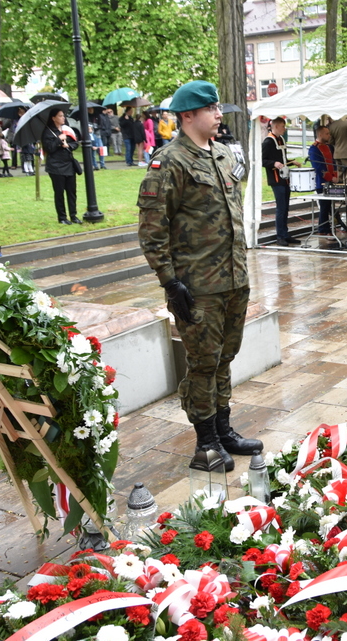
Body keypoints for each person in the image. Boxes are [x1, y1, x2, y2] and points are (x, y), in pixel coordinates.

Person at [137, 80, 259, 473]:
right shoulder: (169, 162)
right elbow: (152, 229)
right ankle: (205, 443)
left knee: (225, 358)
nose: (219, 114)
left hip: (233, 279)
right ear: (188, 115)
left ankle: (224, 431)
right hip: (198, 286)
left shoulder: (222, 155)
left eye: (218, 108)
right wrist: (170, 282)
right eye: (211, 109)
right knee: (203, 362)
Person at [261, 116, 301, 246]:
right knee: (281, 208)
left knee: (286, 208)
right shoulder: (268, 141)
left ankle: (285, 234)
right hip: (276, 179)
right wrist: (274, 163)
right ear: (276, 126)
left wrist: (291, 162)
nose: (285, 129)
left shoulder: (281, 139)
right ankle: (280, 236)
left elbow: (282, 158)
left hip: (285, 178)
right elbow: (262, 160)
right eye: (283, 126)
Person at [41, 108, 82, 225]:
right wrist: (59, 140)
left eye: (63, 115)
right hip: (56, 166)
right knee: (59, 193)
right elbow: (49, 148)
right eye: (60, 116)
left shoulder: (66, 129)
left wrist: (68, 145)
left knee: (72, 191)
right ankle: (62, 217)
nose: (63, 118)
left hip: (69, 164)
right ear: (53, 118)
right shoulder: (48, 132)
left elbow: (75, 143)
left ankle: (73, 215)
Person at [308, 123, 338, 234]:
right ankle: (323, 229)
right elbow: (318, 167)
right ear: (320, 134)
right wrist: (329, 177)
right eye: (327, 133)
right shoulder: (314, 149)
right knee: (324, 206)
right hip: (321, 181)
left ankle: (328, 227)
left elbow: (333, 162)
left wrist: (335, 175)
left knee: (328, 205)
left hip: (331, 180)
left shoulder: (330, 147)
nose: (329, 135)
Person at [328, 117, 347, 181]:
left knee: (340, 172)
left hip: (337, 153)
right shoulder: (346, 122)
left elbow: (331, 141)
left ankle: (340, 188)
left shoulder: (332, 126)